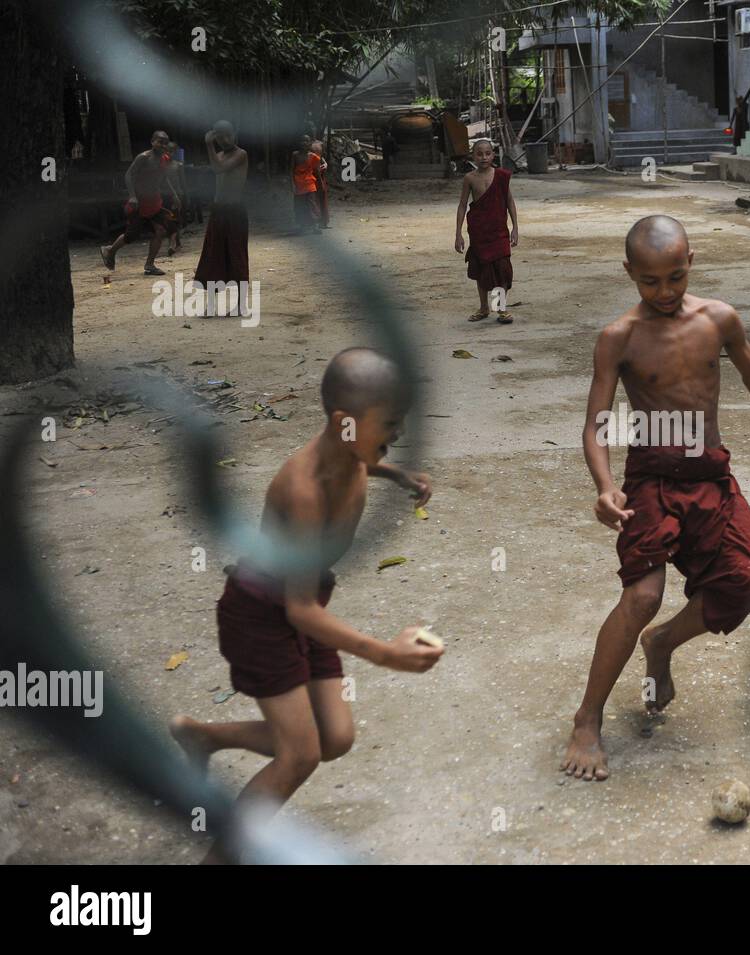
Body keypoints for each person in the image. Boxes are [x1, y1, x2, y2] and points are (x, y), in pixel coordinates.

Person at [561, 215, 750, 781]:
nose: (664, 292)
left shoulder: (719, 319)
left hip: (709, 474)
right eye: (649, 282)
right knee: (643, 596)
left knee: (746, 582)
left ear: (691, 262)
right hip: (651, 479)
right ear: (629, 273)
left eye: (674, 278)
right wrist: (605, 487)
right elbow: (595, 425)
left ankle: (662, 647)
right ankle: (587, 718)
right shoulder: (619, 337)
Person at [169, 347, 443, 863]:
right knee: (299, 756)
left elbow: (361, 464)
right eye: (390, 424)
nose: (399, 434)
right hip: (261, 617)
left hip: (307, 603)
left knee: (335, 738)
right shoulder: (302, 490)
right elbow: (298, 610)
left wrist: (397, 473)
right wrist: (385, 653)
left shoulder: (352, 453)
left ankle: (204, 737)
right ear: (345, 423)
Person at [454, 139, 519, 324]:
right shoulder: (470, 178)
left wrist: (515, 227)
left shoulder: (501, 176)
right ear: (473, 156)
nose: (484, 157)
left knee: (502, 270)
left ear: (493, 155)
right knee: (481, 269)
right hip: (479, 231)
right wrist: (458, 233)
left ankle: (500, 308)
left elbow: (509, 202)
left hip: (498, 231)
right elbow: (462, 205)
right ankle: (484, 307)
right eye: (479, 154)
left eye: (488, 153)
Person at [193, 121, 250, 315]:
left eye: (228, 135)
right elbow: (216, 168)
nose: (225, 140)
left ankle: (240, 305)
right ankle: (210, 305)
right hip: (218, 211)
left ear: (235, 134)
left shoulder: (241, 154)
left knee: (237, 256)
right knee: (212, 256)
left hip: (235, 211)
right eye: (220, 136)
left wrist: (208, 144)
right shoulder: (218, 155)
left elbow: (218, 169)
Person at [100, 130, 171, 275]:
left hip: (155, 200)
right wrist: (132, 196)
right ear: (152, 142)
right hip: (140, 201)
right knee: (131, 235)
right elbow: (128, 175)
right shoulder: (143, 157)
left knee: (161, 230)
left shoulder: (164, 158)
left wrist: (175, 194)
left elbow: (164, 178)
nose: (163, 145)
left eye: (165, 142)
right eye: (159, 141)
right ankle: (110, 250)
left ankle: (150, 264)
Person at [291, 135, 325, 234]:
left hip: (310, 183)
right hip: (298, 183)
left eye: (306, 141)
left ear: (310, 143)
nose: (304, 143)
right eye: (302, 141)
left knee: (312, 204)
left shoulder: (313, 157)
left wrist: (321, 184)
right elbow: (291, 170)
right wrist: (292, 184)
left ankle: (315, 225)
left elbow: (317, 171)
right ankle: (302, 225)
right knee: (300, 204)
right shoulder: (295, 155)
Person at [310, 138, 331, 229]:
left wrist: (325, 163)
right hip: (310, 173)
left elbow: (322, 157)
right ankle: (315, 221)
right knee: (313, 198)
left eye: (313, 127)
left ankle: (324, 221)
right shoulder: (306, 143)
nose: (312, 129)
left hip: (320, 172)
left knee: (322, 196)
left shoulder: (320, 144)